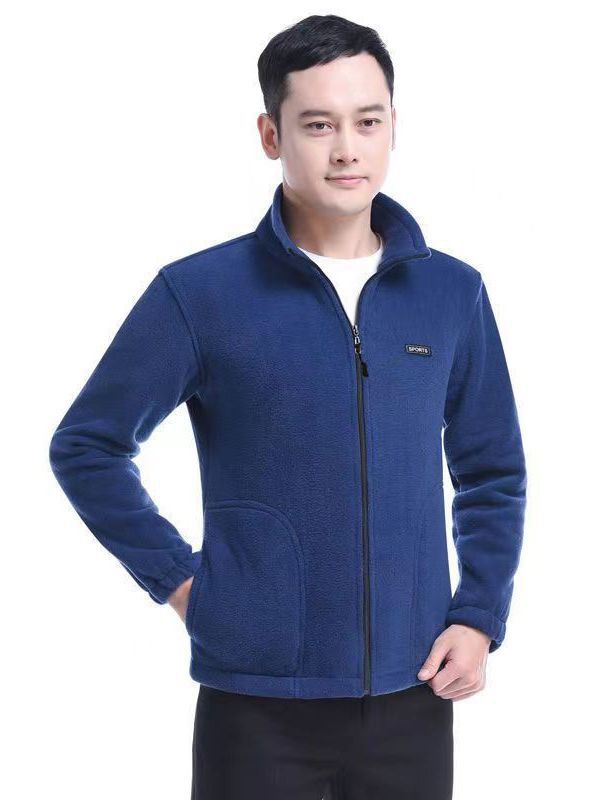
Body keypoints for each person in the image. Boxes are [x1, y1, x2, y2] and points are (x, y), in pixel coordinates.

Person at [48, 13, 527, 800]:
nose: (347, 149)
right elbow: (87, 445)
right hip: (256, 704)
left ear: (393, 127)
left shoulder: (452, 293)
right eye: (318, 124)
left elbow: (492, 470)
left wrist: (478, 617)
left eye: (367, 122)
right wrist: (180, 582)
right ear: (271, 135)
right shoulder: (199, 294)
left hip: (414, 691)